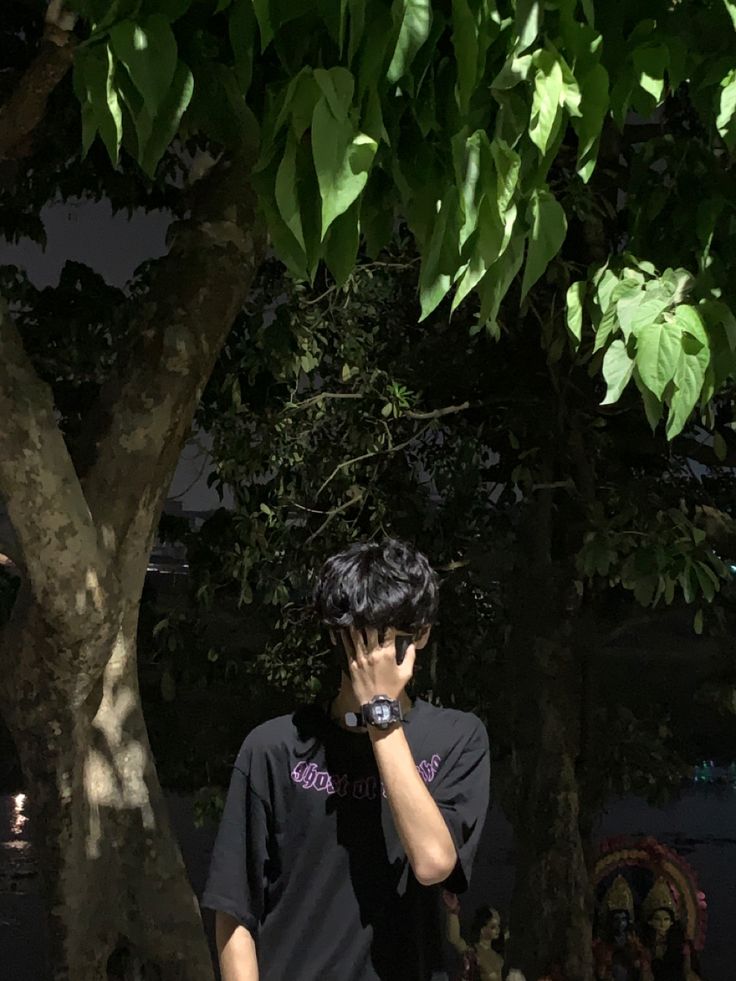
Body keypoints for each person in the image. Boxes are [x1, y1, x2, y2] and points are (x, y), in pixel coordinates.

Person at [202, 538, 491, 980]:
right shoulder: (274, 748)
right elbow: (234, 911)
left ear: (423, 634)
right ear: (336, 634)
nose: (373, 654)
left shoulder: (457, 738)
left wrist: (381, 712)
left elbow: (434, 862)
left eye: (390, 636)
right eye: (360, 635)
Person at [639, 879, 702, 981]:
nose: (662, 923)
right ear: (650, 922)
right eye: (657, 919)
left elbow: (687, 971)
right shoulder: (646, 945)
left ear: (671, 922)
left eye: (666, 919)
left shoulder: (681, 944)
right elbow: (646, 974)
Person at [443, 890, 505, 981]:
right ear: (483, 930)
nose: (498, 930)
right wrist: (453, 912)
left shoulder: (497, 955)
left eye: (498, 926)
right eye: (492, 927)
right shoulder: (474, 953)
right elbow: (455, 939)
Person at [593, 875, 645, 981]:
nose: (620, 923)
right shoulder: (602, 946)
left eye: (623, 919)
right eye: (616, 919)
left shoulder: (634, 944)